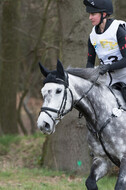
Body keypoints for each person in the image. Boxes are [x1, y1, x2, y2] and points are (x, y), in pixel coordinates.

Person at [83, 0, 126, 87]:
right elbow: (90, 63)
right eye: (89, 14)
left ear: (104, 14)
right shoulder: (92, 36)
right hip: (109, 80)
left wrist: (108, 67)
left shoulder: (118, 30)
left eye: (93, 14)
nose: (90, 17)